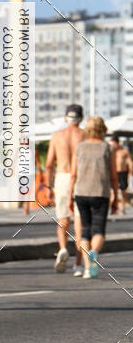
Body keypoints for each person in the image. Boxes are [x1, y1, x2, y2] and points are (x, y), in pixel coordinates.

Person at [68, 116, 118, 279]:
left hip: (81, 193)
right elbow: (113, 176)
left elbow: (73, 174)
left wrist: (69, 196)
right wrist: (116, 196)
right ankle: (94, 252)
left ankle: (88, 268)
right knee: (99, 230)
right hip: (100, 193)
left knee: (85, 231)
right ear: (102, 128)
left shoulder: (80, 147)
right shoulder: (107, 148)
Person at [45, 104, 85, 276]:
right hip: (80, 178)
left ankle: (62, 248)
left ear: (65, 117)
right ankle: (77, 264)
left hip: (61, 177)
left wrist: (48, 187)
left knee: (62, 220)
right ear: (81, 118)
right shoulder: (85, 135)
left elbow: (48, 165)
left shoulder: (56, 136)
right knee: (80, 222)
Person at [111, 136, 132, 214]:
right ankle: (114, 208)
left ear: (117, 142)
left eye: (114, 144)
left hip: (122, 173)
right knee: (113, 192)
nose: (113, 146)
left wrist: (131, 171)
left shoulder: (124, 151)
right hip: (114, 173)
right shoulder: (111, 152)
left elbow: (130, 161)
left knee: (123, 192)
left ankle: (122, 209)